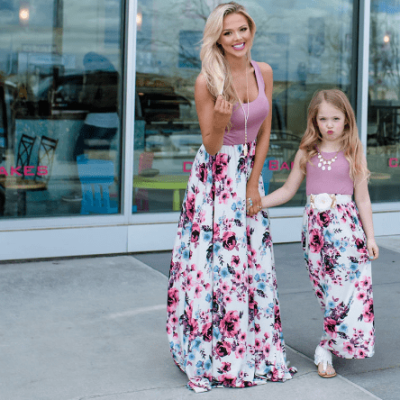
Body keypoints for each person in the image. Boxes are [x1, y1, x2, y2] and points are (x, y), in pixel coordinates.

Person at [166, 2, 296, 392]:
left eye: (242, 29)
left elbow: (265, 131)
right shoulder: (207, 80)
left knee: (253, 263)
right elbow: (210, 144)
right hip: (214, 177)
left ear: (251, 31)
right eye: (228, 33)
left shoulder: (265, 72)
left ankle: (253, 349)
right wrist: (221, 121)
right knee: (217, 267)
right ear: (217, 39)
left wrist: (255, 183)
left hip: (247, 174)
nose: (238, 38)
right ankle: (216, 354)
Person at [260, 89, 378, 378]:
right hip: (315, 232)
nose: (329, 125)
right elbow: (288, 190)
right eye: (323, 118)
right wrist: (257, 203)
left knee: (347, 294)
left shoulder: (353, 150)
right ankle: (333, 344)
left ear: (346, 120)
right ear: (314, 120)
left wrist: (371, 237)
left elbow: (362, 198)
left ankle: (325, 349)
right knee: (326, 293)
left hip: (347, 231)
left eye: (335, 118)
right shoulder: (307, 150)